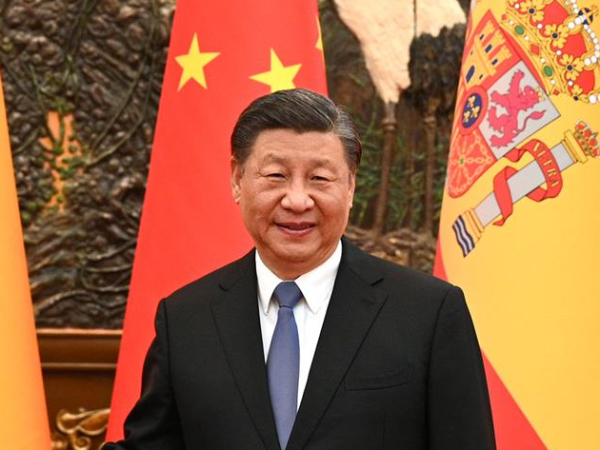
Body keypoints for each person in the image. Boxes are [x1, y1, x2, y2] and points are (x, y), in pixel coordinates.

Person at [103, 89, 496, 450]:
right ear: (238, 179)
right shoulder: (187, 318)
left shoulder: (428, 313)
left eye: (319, 179)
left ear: (350, 186)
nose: (296, 200)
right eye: (276, 176)